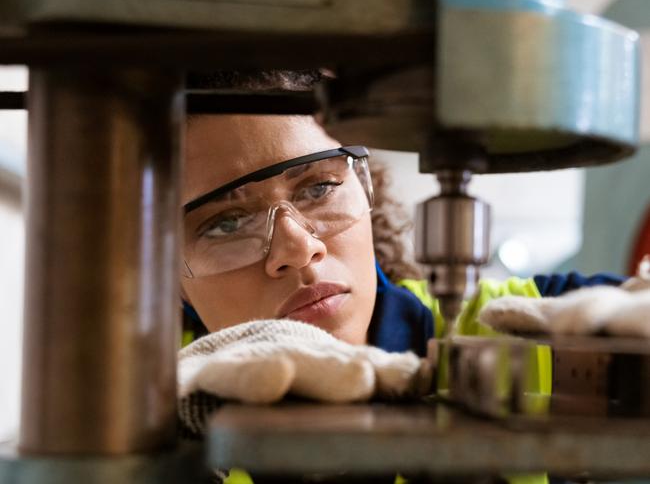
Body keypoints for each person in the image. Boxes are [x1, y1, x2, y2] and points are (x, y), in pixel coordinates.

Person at [178, 70, 631, 484]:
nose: (299, 249)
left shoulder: (524, 334)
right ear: (162, 274)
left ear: (363, 185)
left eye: (319, 187)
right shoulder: (139, 406)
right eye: (226, 223)